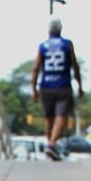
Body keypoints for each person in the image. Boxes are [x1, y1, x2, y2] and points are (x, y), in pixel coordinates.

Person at [31, 16, 83, 161]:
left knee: (49, 118)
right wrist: (79, 84)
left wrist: (34, 88)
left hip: (46, 85)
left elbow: (35, 68)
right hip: (63, 85)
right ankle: (52, 144)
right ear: (60, 29)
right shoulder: (67, 44)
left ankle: (50, 146)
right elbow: (75, 64)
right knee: (62, 116)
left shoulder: (43, 46)